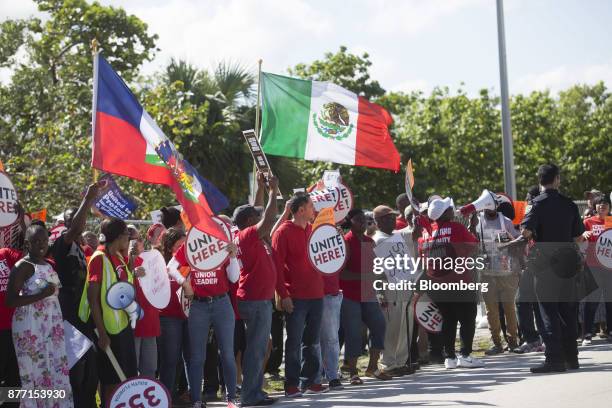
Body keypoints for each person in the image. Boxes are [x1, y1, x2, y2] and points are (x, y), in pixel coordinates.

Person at [521, 164, 584, 373]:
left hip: (545, 263)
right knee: (567, 311)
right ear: (557, 179)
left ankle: (554, 359)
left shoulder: (536, 204)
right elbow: (577, 236)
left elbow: (527, 231)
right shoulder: (569, 204)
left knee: (548, 312)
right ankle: (572, 358)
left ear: (540, 181)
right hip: (567, 262)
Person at [51, 180, 107, 408]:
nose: (80, 223)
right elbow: (75, 228)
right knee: (76, 371)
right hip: (69, 317)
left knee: (91, 370)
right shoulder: (60, 244)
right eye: (75, 219)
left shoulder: (82, 248)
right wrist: (89, 198)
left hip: (84, 316)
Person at [6, 225, 73, 407]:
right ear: (27, 244)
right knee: (34, 373)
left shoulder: (47, 264)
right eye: (36, 241)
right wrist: (40, 295)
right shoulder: (23, 266)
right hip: (30, 327)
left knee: (52, 370)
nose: (42, 244)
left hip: (50, 326)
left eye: (44, 240)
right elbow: (10, 300)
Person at [171, 233, 240, 407]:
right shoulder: (190, 245)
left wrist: (232, 257)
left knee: (227, 354)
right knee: (197, 357)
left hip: (221, 302)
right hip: (198, 305)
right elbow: (171, 267)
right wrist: (184, 283)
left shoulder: (221, 243)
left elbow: (234, 278)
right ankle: (196, 400)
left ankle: (231, 398)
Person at [273, 192, 328, 397]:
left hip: (317, 294)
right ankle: (291, 384)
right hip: (295, 296)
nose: (314, 209)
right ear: (301, 210)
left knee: (312, 341)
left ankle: (310, 381)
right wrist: (283, 294)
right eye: (311, 205)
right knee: (294, 341)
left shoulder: (314, 231)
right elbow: (276, 267)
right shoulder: (283, 232)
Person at [79, 218, 138, 403]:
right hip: (106, 330)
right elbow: (92, 299)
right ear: (120, 237)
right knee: (112, 381)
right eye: (127, 235)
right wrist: (102, 335)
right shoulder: (99, 258)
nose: (128, 238)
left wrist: (132, 263)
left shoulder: (118, 256)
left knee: (126, 377)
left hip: (122, 326)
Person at [421, 198, 484, 369]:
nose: (452, 210)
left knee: (448, 321)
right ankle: (465, 355)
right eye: (449, 208)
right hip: (460, 282)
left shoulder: (426, 232)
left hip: (437, 285)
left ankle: (449, 357)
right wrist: (472, 230)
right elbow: (474, 247)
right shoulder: (456, 228)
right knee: (467, 318)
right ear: (444, 213)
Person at [233, 173, 279, 407]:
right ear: (250, 221)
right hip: (256, 299)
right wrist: (273, 191)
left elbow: (260, 210)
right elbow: (268, 216)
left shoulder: (246, 234)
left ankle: (254, 392)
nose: (259, 217)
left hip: (257, 298)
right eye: (255, 217)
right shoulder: (249, 234)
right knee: (256, 350)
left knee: (259, 348)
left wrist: (260, 188)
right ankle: (250, 396)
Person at [340, 209, 388, 385]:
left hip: (368, 293)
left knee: (379, 325)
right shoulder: (345, 242)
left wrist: (380, 289)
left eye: (365, 220)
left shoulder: (369, 242)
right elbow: (341, 274)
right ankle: (353, 372)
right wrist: (365, 276)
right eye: (358, 220)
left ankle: (372, 367)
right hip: (349, 295)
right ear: (350, 221)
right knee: (353, 332)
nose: (363, 222)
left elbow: (374, 269)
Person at [372, 205, 417, 378]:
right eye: (387, 218)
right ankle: (389, 363)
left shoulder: (397, 236)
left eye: (392, 217)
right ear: (378, 221)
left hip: (404, 285)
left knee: (406, 325)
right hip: (388, 288)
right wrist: (379, 292)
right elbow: (375, 271)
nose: (392, 220)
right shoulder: (377, 240)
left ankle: (401, 361)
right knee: (392, 327)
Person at [475, 206, 521, 354]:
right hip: (486, 272)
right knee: (491, 310)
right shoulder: (478, 222)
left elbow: (517, 241)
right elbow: (471, 243)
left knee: (509, 307)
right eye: (487, 206)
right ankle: (497, 343)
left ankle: (513, 341)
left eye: (492, 205)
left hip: (505, 271)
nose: (490, 209)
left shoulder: (505, 221)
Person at [158, 228, 192, 404]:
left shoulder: (193, 261)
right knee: (170, 359)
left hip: (190, 316)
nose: (184, 249)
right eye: (180, 245)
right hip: (169, 317)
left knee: (190, 358)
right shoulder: (161, 263)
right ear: (170, 247)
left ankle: (190, 395)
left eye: (186, 245)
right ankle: (166, 398)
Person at [513, 186, 545, 354]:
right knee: (522, 301)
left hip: (541, 263)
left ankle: (544, 338)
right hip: (530, 264)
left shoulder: (540, 212)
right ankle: (532, 339)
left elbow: (527, 234)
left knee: (540, 303)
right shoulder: (527, 213)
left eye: (529, 199)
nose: (527, 202)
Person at [578, 195, 612, 344]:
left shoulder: (611, 221)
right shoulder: (587, 222)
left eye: (605, 203)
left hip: (610, 267)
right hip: (592, 266)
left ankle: (610, 330)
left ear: (609, 207)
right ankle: (587, 334)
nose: (602, 206)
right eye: (599, 204)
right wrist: (582, 235)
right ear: (594, 206)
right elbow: (577, 240)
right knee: (591, 301)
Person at [130, 227, 160, 379]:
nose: (135, 243)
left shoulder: (151, 259)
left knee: (149, 369)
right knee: (130, 369)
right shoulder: (116, 261)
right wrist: (131, 273)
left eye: (138, 239)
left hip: (149, 321)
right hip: (130, 325)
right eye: (130, 239)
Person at [0, 244, 22, 408]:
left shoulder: (5, 253)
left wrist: (22, 224)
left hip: (15, 329)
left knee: (14, 380)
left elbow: (30, 260)